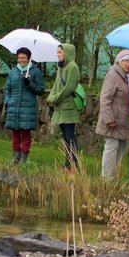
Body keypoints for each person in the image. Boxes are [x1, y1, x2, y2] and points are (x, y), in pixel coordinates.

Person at [96, 49, 129, 179]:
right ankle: (106, 179)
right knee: (111, 148)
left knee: (121, 150)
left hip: (125, 121)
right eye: (125, 61)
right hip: (113, 121)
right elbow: (104, 99)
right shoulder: (112, 75)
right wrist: (109, 119)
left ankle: (113, 177)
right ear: (119, 61)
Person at [2, 47, 44, 164]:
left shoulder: (35, 72)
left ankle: (23, 158)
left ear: (29, 58)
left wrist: (29, 84)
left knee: (25, 133)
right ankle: (15, 156)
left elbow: (40, 90)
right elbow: (7, 88)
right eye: (19, 57)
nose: (21, 60)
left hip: (27, 107)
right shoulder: (13, 72)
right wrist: (8, 101)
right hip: (14, 106)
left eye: (24, 58)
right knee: (15, 132)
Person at [47, 42, 81, 171]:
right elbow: (56, 85)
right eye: (57, 52)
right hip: (60, 107)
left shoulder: (72, 67)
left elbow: (69, 88)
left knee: (70, 137)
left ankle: (74, 164)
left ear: (67, 53)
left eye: (60, 52)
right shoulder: (60, 67)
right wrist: (51, 97)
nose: (58, 54)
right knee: (65, 137)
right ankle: (68, 163)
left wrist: (55, 99)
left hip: (68, 107)